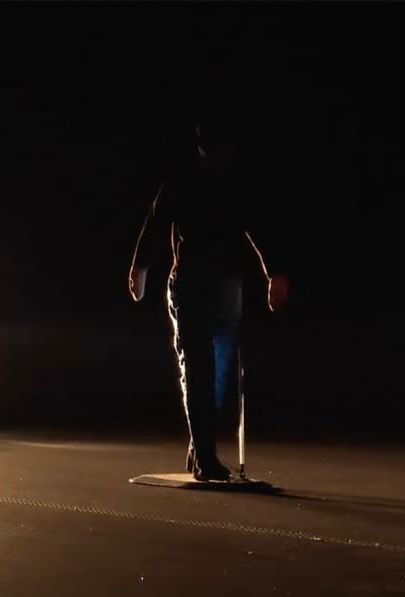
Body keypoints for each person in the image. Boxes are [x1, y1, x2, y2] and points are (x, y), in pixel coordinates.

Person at [128, 124, 288, 481]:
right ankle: (204, 455)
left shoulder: (236, 184)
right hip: (190, 284)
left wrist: (274, 274)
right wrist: (140, 268)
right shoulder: (181, 181)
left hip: (227, 286)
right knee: (198, 366)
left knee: (217, 371)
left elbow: (258, 226)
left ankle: (199, 446)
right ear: (202, 147)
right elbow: (155, 222)